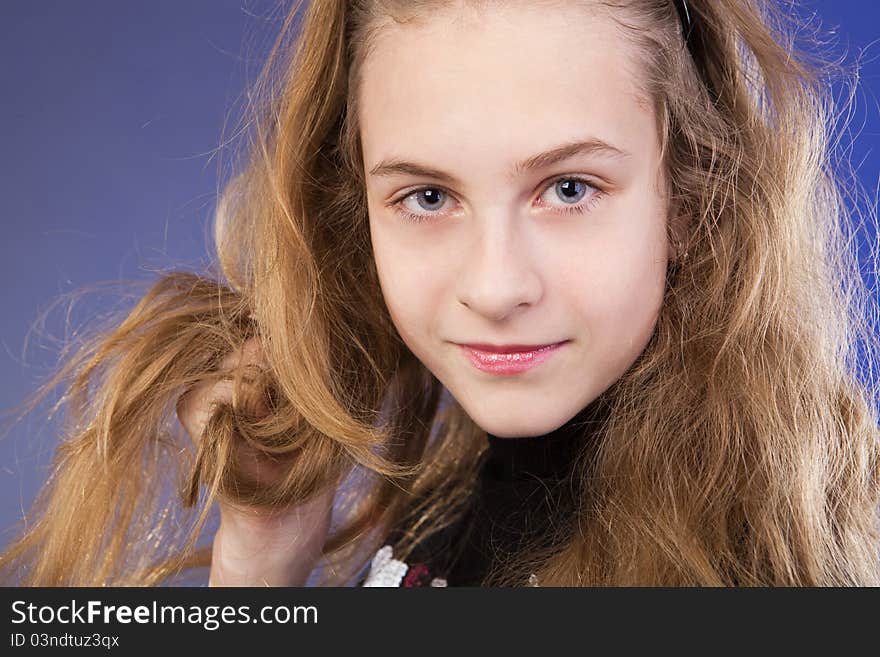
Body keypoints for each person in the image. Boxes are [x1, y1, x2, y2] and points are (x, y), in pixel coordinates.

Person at [2, 0, 879, 587]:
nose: (495, 287)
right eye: (428, 197)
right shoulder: (444, 490)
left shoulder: (769, 565)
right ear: (358, 208)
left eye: (569, 188)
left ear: (686, 197)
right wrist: (265, 560)